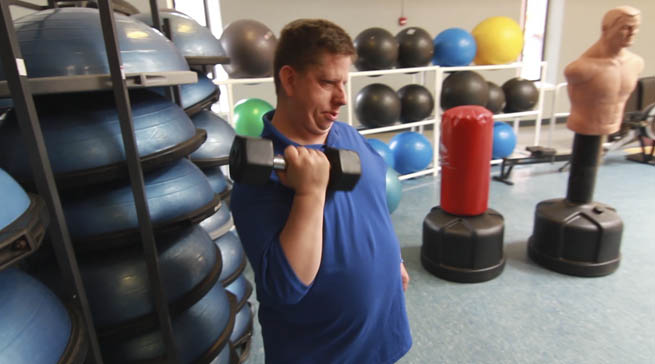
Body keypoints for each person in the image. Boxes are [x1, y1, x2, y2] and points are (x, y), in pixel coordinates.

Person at [230, 19, 412, 364]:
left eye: (344, 82)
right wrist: (309, 195)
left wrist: (394, 258)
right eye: (328, 82)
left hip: (380, 337)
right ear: (289, 79)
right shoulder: (258, 177)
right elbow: (285, 288)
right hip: (321, 353)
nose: (343, 98)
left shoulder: (347, 135)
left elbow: (374, 201)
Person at [564, 5, 644, 135]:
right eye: (626, 27)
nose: (632, 32)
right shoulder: (581, 69)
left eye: (636, 27)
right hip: (584, 127)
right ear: (605, 28)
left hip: (613, 127)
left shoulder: (636, 63)